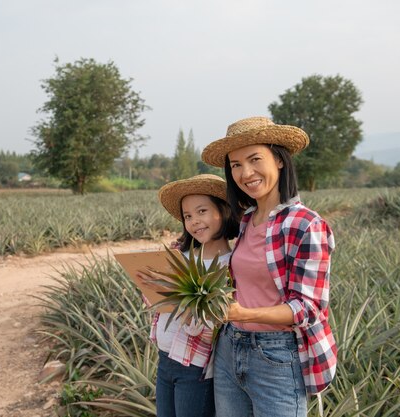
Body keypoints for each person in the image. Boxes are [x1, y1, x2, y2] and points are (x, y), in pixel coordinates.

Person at [200, 117, 337, 417]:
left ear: (278, 160)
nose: (245, 173)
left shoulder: (305, 224)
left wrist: (244, 314)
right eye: (235, 164)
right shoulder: (247, 220)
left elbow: (307, 309)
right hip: (229, 347)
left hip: (276, 354)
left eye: (254, 159)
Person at [139, 174, 240, 417]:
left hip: (196, 369)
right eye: (188, 216)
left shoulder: (229, 266)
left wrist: (181, 302)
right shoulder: (179, 256)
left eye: (202, 211)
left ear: (224, 211)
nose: (194, 221)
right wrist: (150, 289)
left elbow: (213, 325)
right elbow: (154, 303)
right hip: (165, 359)